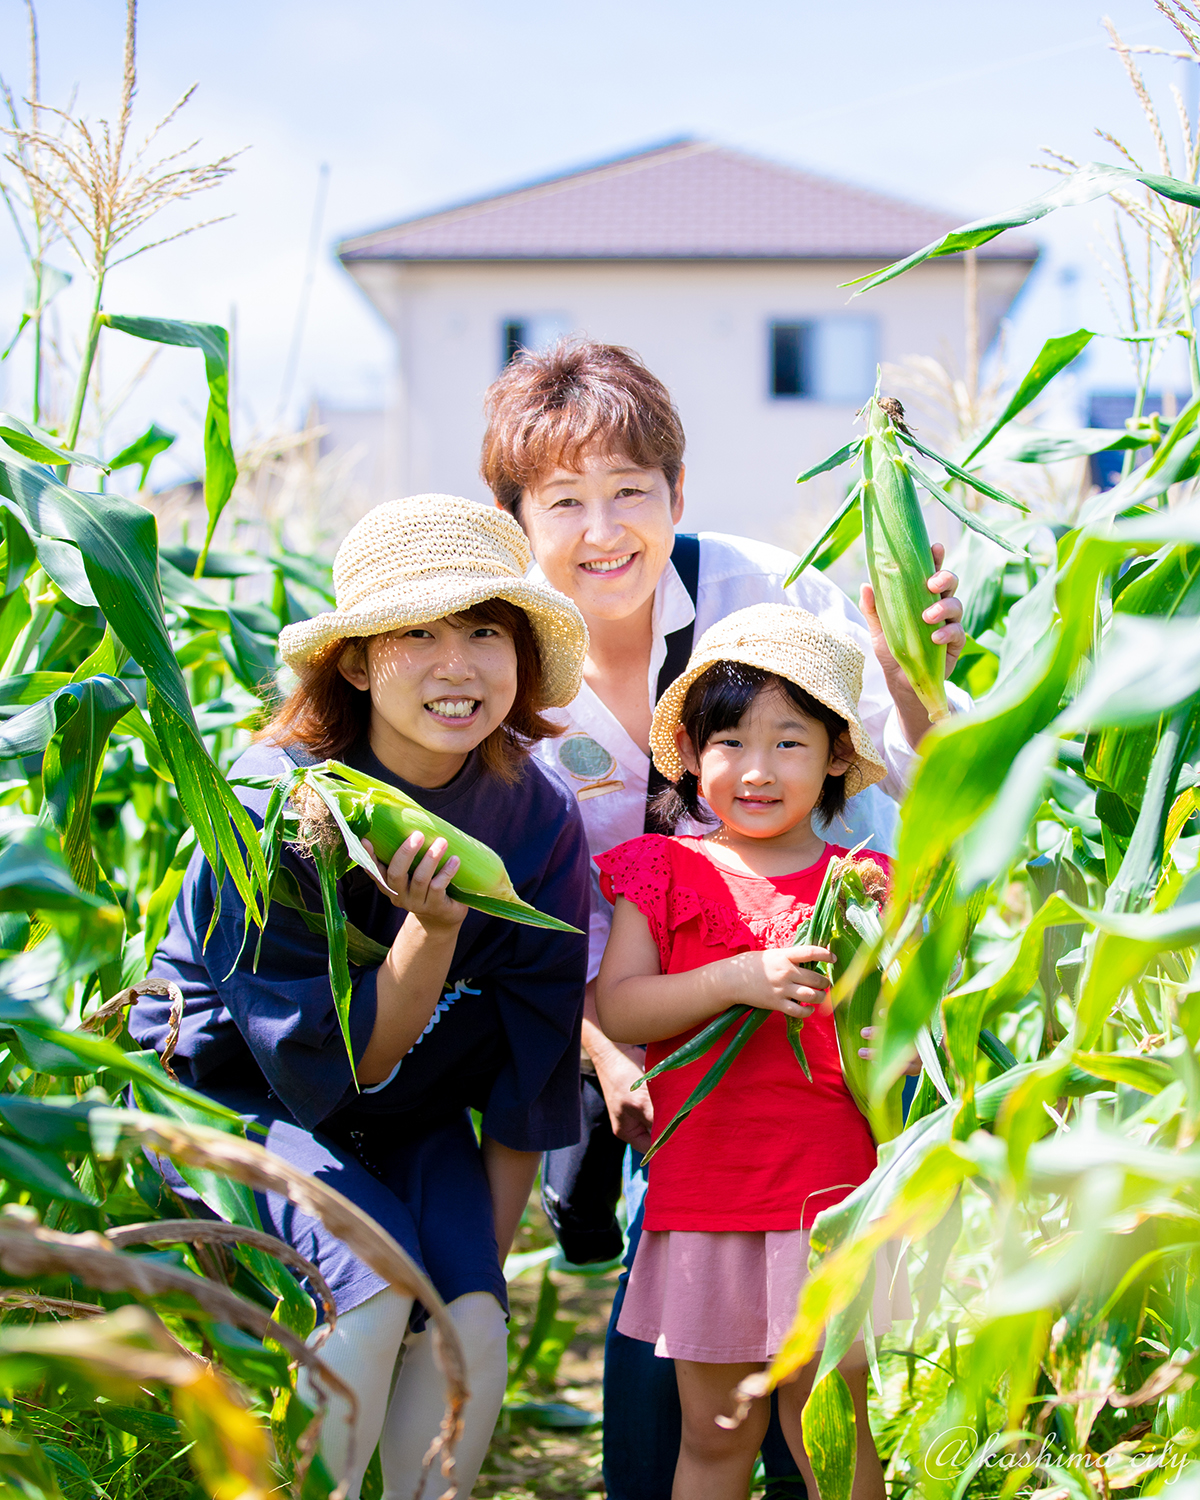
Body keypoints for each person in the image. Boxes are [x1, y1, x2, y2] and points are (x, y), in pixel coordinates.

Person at [480, 341, 963, 1497]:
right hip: (617, 992)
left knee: (809, 1358)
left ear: (677, 494)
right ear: (515, 522)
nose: (605, 532)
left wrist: (910, 675)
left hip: (804, 1003)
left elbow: (917, 775)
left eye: (631, 493)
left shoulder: (775, 594)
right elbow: (537, 915)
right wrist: (606, 1052)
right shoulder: (497, 664)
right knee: (650, 1263)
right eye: (565, 504)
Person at [130, 495, 592, 1500]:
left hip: (410, 1118)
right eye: (416, 635)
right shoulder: (278, 802)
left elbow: (533, 1066)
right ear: (352, 661)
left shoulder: (539, 816)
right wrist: (430, 931)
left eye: (485, 632)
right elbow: (342, 1066)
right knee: (377, 1287)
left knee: (467, 1322)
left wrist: (480, 1267)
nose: (458, 666)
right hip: (237, 1098)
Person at [594, 603, 906, 1500]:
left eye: (790, 743)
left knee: (835, 1437)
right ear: (691, 755)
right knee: (718, 1434)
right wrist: (735, 980)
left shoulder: (862, 889)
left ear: (839, 755)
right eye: (729, 741)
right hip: (709, 1202)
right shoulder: (664, 872)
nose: (756, 771)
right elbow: (619, 1007)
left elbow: (895, 1041)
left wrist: (894, 1049)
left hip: (833, 1201)